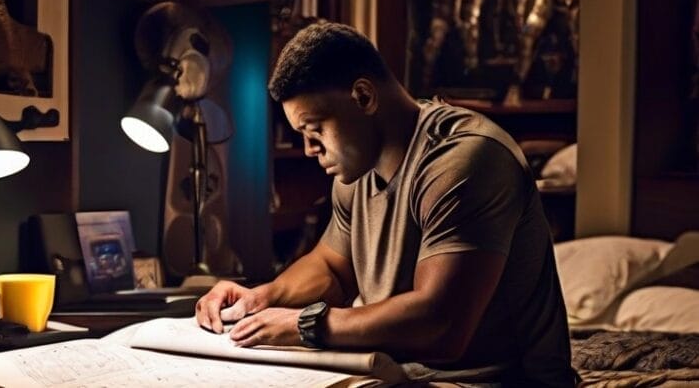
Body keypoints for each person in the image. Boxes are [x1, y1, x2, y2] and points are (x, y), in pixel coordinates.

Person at [195, 22, 575, 386]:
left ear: (363, 96)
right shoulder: (354, 170)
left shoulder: (465, 160)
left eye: (315, 130)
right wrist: (261, 298)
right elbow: (333, 268)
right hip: (404, 373)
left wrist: (304, 325)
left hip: (497, 381)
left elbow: (441, 326)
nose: (310, 149)